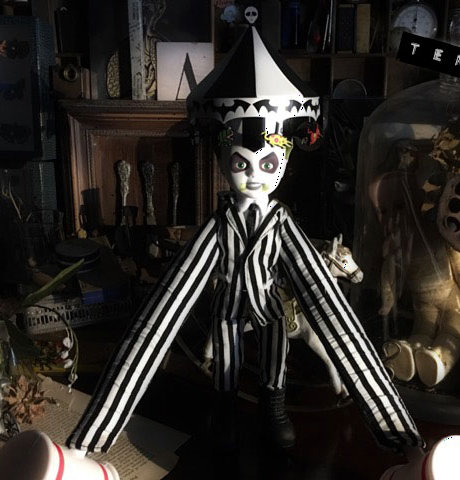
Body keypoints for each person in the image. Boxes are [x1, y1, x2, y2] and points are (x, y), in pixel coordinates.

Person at [66, 14, 424, 456]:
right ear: (222, 162)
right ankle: (225, 408)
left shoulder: (282, 223)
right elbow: (163, 311)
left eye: (268, 165)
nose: (255, 176)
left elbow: (327, 303)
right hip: (229, 310)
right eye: (241, 164)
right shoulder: (218, 227)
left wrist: (401, 436)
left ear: (285, 163)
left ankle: (274, 405)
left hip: (271, 310)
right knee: (224, 365)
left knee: (276, 357)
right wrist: (88, 439)